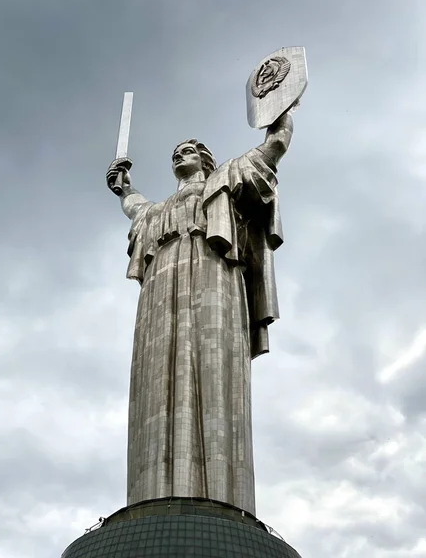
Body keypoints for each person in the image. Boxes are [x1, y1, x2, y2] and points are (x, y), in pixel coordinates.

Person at [106, 112, 293, 516]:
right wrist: (124, 188)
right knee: (157, 379)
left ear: (205, 160)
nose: (179, 155)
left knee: (210, 370)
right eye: (175, 152)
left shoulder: (223, 180)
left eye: (187, 150)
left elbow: (271, 152)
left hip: (213, 277)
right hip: (159, 295)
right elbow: (134, 207)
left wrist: (282, 112)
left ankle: (220, 499)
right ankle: (154, 500)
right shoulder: (157, 211)